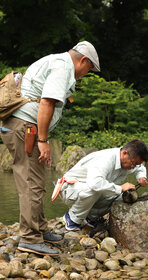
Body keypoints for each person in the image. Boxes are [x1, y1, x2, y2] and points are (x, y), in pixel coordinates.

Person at [0, 41, 100, 255]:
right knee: (31, 183)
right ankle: (30, 238)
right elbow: (47, 102)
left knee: (36, 180)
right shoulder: (63, 67)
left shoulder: (54, 60)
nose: (85, 73)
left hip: (22, 126)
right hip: (25, 129)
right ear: (83, 60)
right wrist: (43, 140)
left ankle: (40, 229)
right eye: (89, 68)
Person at [52, 139, 148, 231]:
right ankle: (71, 219)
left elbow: (140, 167)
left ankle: (90, 218)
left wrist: (141, 177)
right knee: (98, 188)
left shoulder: (128, 159)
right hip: (69, 188)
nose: (133, 167)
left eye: (135, 165)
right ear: (124, 153)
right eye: (133, 163)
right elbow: (95, 183)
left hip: (86, 188)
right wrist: (120, 188)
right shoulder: (106, 159)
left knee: (122, 196)